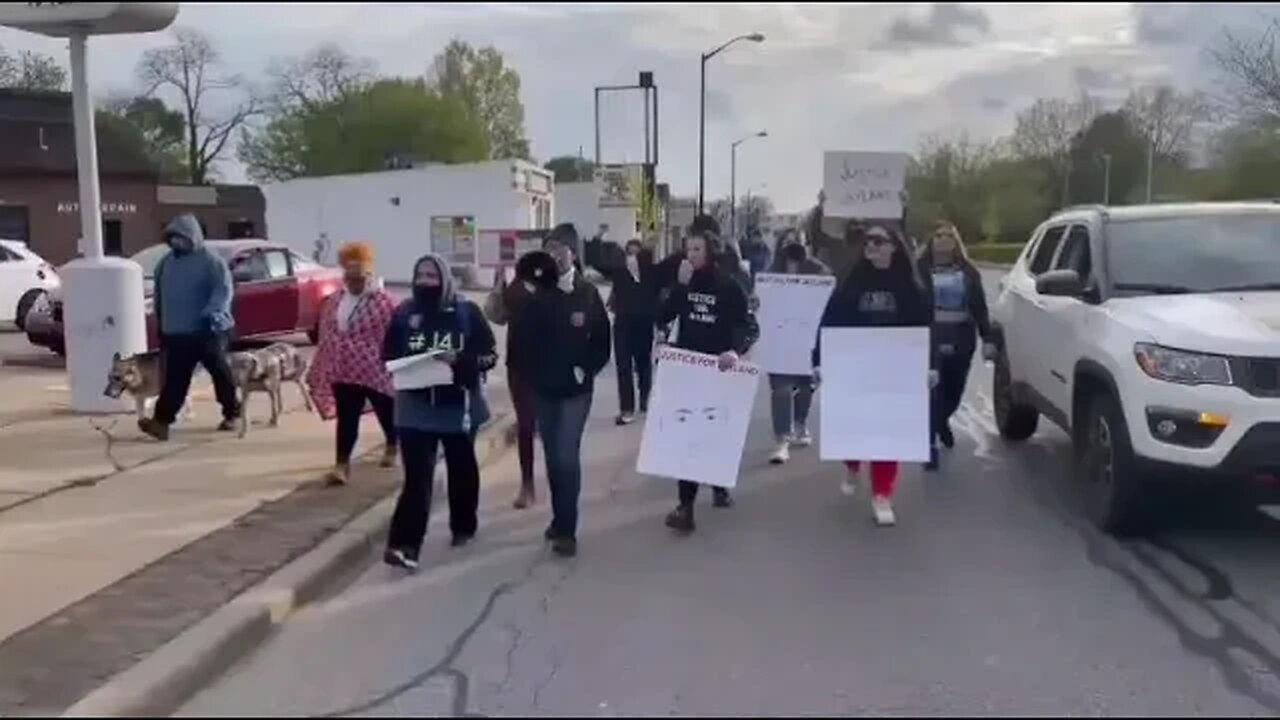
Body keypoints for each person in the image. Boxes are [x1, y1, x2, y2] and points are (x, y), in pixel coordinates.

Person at [813, 223, 935, 527]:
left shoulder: (912, 286)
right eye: (868, 242)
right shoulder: (851, 282)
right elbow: (829, 321)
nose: (871, 247)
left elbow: (925, 328)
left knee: (886, 433)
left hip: (894, 369)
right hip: (855, 365)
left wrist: (930, 366)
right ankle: (852, 464)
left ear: (894, 246)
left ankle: (882, 495)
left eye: (879, 241)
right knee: (855, 427)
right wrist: (819, 359)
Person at [382, 253, 498, 570]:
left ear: (444, 279)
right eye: (420, 275)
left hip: (457, 405)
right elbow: (388, 352)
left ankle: (463, 525)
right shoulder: (405, 313)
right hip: (413, 408)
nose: (424, 281)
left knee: (461, 469)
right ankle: (404, 545)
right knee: (417, 479)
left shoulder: (466, 312)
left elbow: (489, 356)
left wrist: (459, 360)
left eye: (431, 275)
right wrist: (403, 363)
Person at [512, 223, 611, 558]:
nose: (554, 254)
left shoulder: (587, 293)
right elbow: (521, 341)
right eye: (549, 248)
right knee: (554, 458)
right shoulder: (537, 292)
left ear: (573, 253)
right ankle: (559, 519)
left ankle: (567, 531)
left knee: (567, 456)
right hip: (543, 389)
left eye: (560, 248)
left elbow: (601, 342)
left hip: (576, 391)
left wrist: (586, 369)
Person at [658, 230, 759, 534]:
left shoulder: (729, 286)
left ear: (710, 253)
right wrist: (679, 287)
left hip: (719, 368)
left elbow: (748, 326)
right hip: (689, 369)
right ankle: (685, 506)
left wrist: (735, 350)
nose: (691, 255)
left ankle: (718, 483)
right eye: (688, 249)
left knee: (715, 432)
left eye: (697, 249)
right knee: (689, 435)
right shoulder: (684, 284)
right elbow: (662, 315)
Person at [139, 214, 242, 441]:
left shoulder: (211, 261)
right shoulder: (166, 263)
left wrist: (213, 311)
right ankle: (162, 422)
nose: (176, 242)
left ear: (192, 237)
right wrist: (161, 322)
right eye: (172, 238)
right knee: (175, 380)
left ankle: (233, 412)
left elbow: (223, 290)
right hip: (176, 333)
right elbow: (159, 295)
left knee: (220, 373)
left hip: (208, 331)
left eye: (181, 237)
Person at [305, 242, 399, 486]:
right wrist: (322, 362)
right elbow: (327, 333)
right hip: (343, 368)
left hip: (374, 368)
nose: (355, 282)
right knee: (347, 416)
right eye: (350, 277)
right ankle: (341, 465)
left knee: (385, 408)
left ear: (369, 275)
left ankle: (392, 443)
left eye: (359, 277)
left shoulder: (384, 301)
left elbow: (394, 333)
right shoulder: (336, 300)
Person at [484, 249, 561, 509]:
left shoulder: (558, 283)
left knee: (552, 428)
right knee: (526, 426)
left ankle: (560, 482)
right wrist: (498, 286)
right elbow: (495, 315)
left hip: (550, 365)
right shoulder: (517, 282)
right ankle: (527, 485)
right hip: (519, 365)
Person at [918, 221, 994, 470]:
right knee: (933, 389)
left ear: (955, 241)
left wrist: (988, 339)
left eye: (948, 235)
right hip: (930, 336)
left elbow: (980, 308)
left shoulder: (969, 271)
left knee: (954, 390)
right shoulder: (919, 268)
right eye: (937, 235)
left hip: (962, 335)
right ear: (931, 240)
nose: (942, 239)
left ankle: (940, 420)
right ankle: (929, 446)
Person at [765, 232, 831, 465]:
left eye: (797, 241)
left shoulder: (818, 269)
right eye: (788, 242)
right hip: (781, 338)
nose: (792, 246)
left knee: (806, 387)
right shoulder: (771, 271)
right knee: (781, 390)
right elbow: (762, 300)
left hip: (808, 338)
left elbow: (828, 296)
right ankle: (782, 439)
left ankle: (800, 423)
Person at [593, 237, 660, 425]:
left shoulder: (650, 274)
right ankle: (627, 409)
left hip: (643, 324)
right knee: (623, 367)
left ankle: (645, 398)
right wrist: (599, 240)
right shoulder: (620, 272)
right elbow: (600, 265)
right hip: (623, 324)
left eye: (636, 253)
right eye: (629, 253)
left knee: (643, 364)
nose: (632, 258)